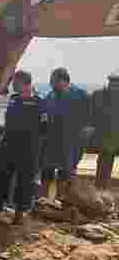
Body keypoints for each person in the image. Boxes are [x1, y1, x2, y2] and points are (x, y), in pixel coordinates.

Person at [1, 70, 48, 224]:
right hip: (9, 146)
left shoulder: (39, 102)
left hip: (29, 148)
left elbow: (44, 128)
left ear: (25, 83)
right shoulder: (13, 99)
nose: (13, 85)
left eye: (16, 83)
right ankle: (0, 209)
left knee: (25, 181)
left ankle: (19, 214)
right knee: (3, 177)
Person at [44, 67, 91, 201]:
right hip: (52, 141)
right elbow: (43, 113)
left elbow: (91, 116)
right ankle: (44, 201)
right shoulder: (51, 95)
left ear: (63, 80)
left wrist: (87, 131)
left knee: (65, 173)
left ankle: (60, 201)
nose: (51, 84)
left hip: (71, 142)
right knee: (47, 171)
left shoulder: (81, 94)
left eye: (53, 81)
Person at [90, 71, 119, 189]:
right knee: (104, 165)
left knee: (104, 164)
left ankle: (101, 189)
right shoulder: (98, 95)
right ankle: (100, 190)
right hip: (106, 138)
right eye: (113, 83)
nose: (114, 85)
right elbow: (90, 114)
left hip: (111, 138)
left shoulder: (99, 95)